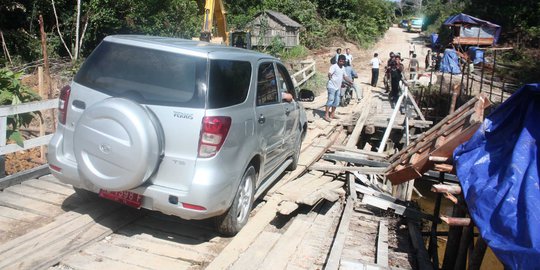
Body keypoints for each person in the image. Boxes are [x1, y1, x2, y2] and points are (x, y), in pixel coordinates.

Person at [325, 55, 351, 121]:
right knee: (330, 100)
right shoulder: (334, 66)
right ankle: (326, 115)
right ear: (338, 60)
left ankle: (332, 114)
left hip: (338, 87)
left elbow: (345, 76)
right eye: (340, 61)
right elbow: (329, 73)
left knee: (336, 101)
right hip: (331, 86)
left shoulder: (343, 68)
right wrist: (329, 76)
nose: (341, 62)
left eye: (343, 61)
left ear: (344, 61)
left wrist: (350, 81)